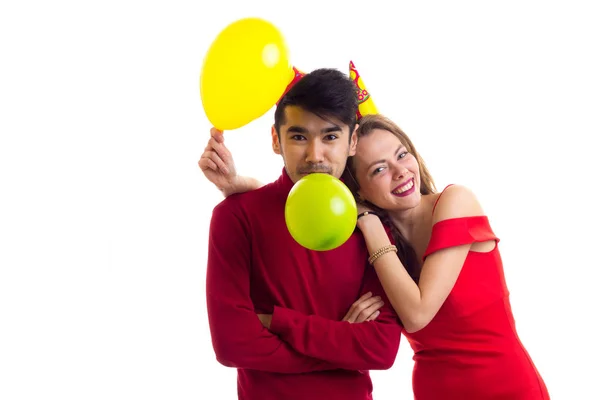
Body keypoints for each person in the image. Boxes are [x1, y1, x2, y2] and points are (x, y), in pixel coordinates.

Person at [201, 111, 551, 399]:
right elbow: (303, 200)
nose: (400, 171)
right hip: (435, 390)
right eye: (378, 169)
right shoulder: (374, 236)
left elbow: (415, 314)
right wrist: (237, 185)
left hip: (505, 385)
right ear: (359, 191)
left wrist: (367, 223)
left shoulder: (455, 202)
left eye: (401, 154)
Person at [201, 68, 402, 400]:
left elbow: (380, 349)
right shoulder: (235, 217)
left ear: (352, 141)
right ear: (275, 140)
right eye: (298, 137)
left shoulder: (373, 226)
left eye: (330, 136)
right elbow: (231, 343)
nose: (314, 154)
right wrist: (341, 345)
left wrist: (277, 321)